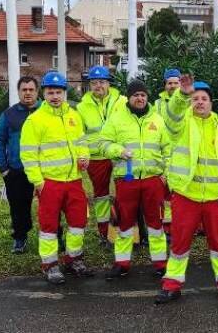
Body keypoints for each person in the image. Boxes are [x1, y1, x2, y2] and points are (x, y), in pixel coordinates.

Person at [157, 76, 218, 304]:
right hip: (187, 195)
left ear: (211, 102)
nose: (200, 102)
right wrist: (182, 95)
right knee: (180, 243)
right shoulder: (182, 125)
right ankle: (172, 284)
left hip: (216, 198)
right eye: (195, 99)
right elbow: (172, 115)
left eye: (204, 98)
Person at [20, 70, 93, 284]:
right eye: (50, 92)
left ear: (64, 93)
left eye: (58, 92)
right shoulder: (35, 120)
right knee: (49, 226)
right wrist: (38, 182)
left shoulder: (74, 116)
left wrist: (85, 158)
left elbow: (82, 143)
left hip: (74, 182)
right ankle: (50, 265)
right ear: (44, 94)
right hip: (50, 183)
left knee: (78, 223)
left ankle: (74, 259)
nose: (55, 96)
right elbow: (28, 155)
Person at [98, 80, 172, 280]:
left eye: (143, 95)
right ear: (129, 97)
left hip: (152, 180)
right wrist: (118, 151)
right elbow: (103, 143)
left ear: (147, 97)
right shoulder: (116, 119)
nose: (140, 98)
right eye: (136, 95)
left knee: (156, 224)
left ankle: (160, 263)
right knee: (124, 224)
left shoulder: (157, 119)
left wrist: (165, 175)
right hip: (126, 181)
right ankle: (121, 263)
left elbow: (168, 148)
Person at [76, 65, 126, 243]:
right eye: (94, 82)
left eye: (102, 82)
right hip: (97, 157)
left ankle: (125, 229)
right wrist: (83, 155)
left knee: (125, 193)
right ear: (90, 85)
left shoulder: (122, 101)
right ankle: (104, 233)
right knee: (101, 195)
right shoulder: (82, 107)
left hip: (120, 154)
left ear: (109, 83)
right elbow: (79, 135)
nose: (99, 85)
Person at [0, 76, 41, 254]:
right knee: (18, 206)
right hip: (16, 169)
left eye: (31, 90)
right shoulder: (8, 114)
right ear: (19, 92)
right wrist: (3, 167)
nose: (28, 93)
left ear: (37, 92)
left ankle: (55, 235)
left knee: (51, 205)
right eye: (24, 90)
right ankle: (20, 238)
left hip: (44, 168)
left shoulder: (46, 111)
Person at [154, 68, 182, 234]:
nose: (172, 85)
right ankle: (167, 226)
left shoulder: (188, 101)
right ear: (165, 85)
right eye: (169, 83)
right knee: (165, 192)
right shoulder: (156, 104)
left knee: (180, 190)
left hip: (182, 152)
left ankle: (183, 224)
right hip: (163, 152)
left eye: (175, 83)